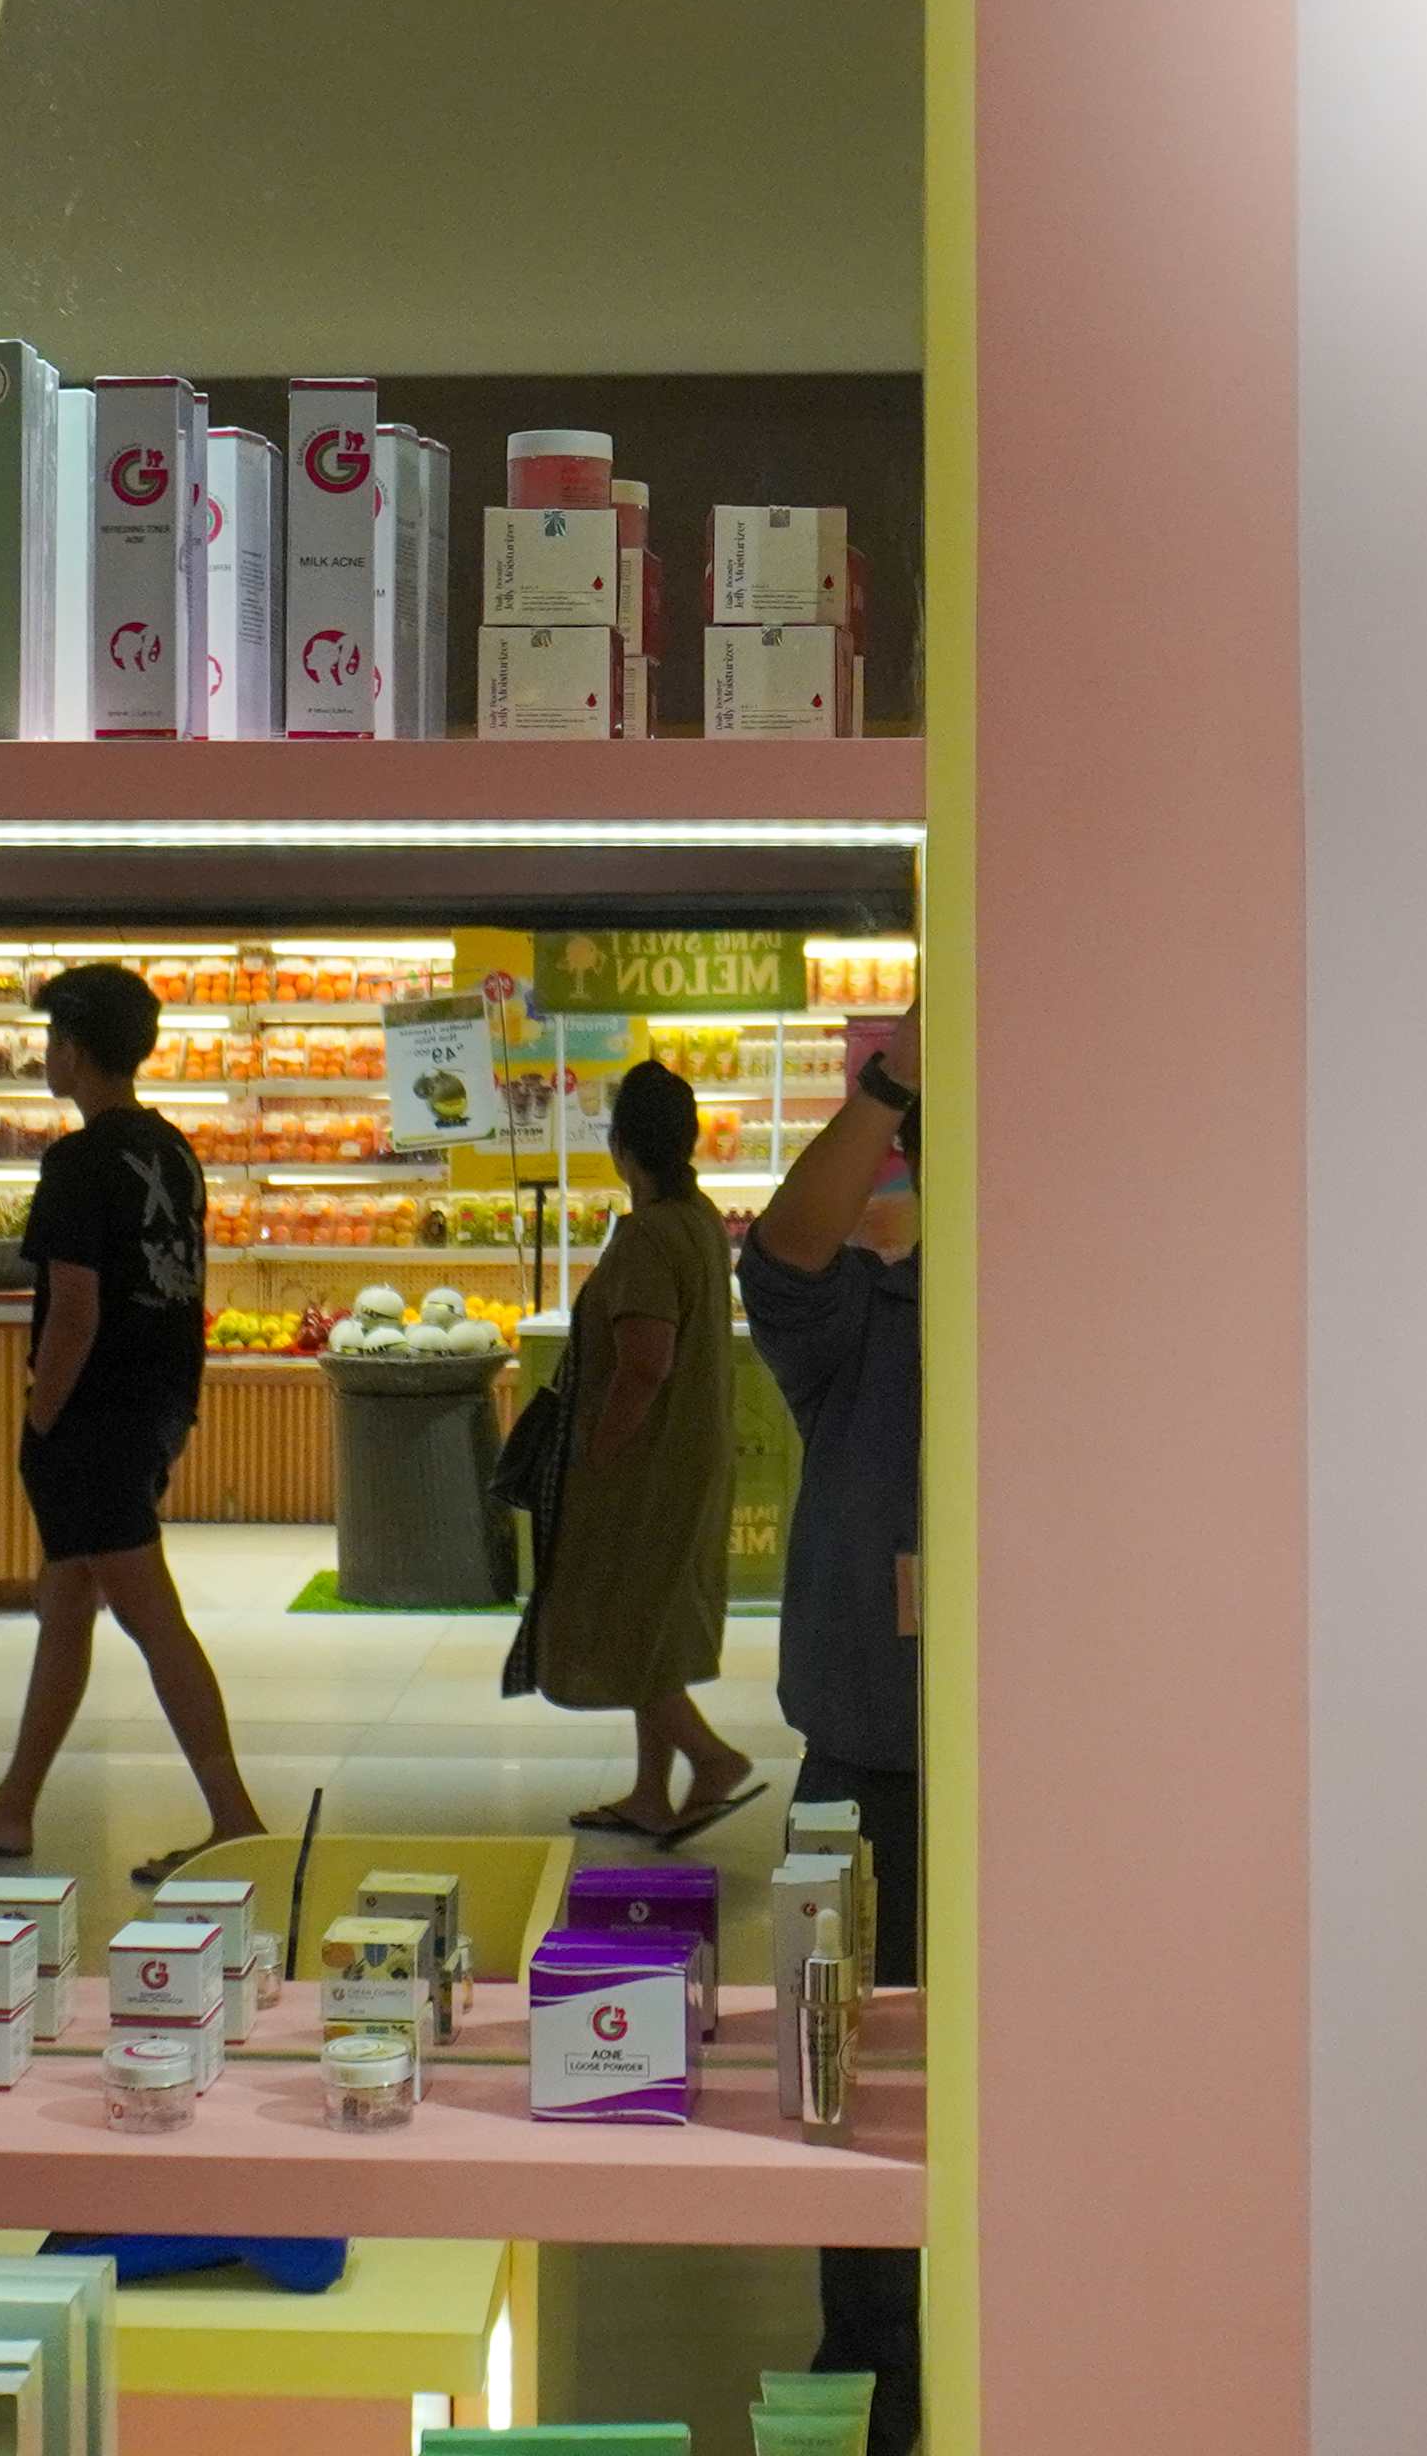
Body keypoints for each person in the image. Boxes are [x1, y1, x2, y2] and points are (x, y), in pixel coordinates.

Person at [0, 960, 268, 1880]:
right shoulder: (173, 1151)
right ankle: (12, 1807)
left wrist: (41, 1416)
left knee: (151, 1617)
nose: (48, 1055)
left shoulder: (77, 1164)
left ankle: (236, 1818)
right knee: (66, 1603)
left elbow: (73, 1309)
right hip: (156, 1405)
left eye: (53, 1039)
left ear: (74, 1050)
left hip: (93, 1419)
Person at [740, 1008, 925, 2450]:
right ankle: (873, 2385)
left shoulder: (1091, 1321)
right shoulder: (868, 1317)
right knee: (850, 2091)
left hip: (1052, 1786)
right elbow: (780, 1256)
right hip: (866, 1769)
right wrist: (889, 1084)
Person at [533, 1056, 753, 1842]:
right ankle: (650, 1792)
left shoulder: (647, 1239)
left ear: (620, 1147)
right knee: (653, 1623)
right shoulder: (700, 1222)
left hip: (644, 1471)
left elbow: (644, 1363)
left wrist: (598, 1449)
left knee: (624, 1632)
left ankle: (713, 1757)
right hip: (691, 1456)